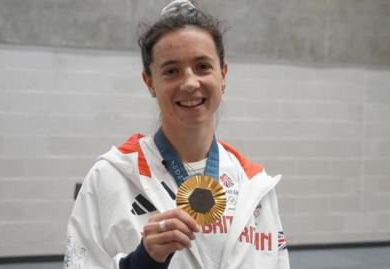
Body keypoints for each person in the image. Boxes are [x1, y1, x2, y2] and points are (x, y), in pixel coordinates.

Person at [63, 1, 290, 268]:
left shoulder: (255, 186)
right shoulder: (110, 178)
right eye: (171, 71)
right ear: (150, 83)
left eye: (203, 66)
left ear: (223, 74)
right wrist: (141, 263)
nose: (190, 82)